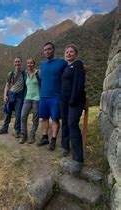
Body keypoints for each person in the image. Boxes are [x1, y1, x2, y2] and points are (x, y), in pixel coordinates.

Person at [60, 44, 86, 176]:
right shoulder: (65, 67)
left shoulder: (78, 64)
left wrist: (73, 98)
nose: (69, 54)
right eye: (67, 52)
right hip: (64, 101)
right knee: (64, 122)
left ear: (76, 54)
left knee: (72, 124)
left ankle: (77, 159)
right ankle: (65, 146)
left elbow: (79, 83)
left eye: (71, 52)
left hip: (74, 100)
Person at [36, 42, 68, 151]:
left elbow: (71, 66)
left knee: (55, 119)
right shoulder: (42, 65)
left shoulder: (61, 62)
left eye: (49, 49)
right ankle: (45, 137)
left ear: (53, 50)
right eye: (45, 50)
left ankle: (53, 140)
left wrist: (81, 66)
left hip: (56, 96)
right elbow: (40, 77)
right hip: (44, 96)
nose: (47, 51)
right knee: (44, 118)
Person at [0, 57, 26, 138]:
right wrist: (5, 95)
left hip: (19, 96)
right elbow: (7, 85)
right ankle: (4, 128)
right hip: (11, 95)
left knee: (18, 114)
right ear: (14, 63)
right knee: (7, 112)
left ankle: (17, 130)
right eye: (16, 62)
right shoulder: (11, 74)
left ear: (21, 62)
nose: (17, 63)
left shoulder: (24, 73)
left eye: (18, 62)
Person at [19, 58, 40, 144]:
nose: (29, 64)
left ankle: (32, 135)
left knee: (35, 119)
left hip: (37, 99)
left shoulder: (38, 74)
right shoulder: (25, 74)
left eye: (31, 63)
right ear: (26, 65)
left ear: (34, 64)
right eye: (28, 63)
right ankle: (24, 135)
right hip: (27, 98)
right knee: (23, 116)